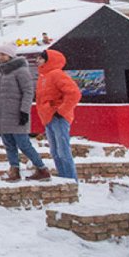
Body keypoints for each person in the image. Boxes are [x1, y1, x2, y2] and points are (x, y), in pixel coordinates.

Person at [0, 44, 51, 181]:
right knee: (9, 145)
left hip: (16, 114)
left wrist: (24, 111)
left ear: (10, 55)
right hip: (3, 115)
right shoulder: (0, 72)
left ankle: (42, 169)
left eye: (3, 54)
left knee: (24, 144)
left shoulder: (21, 71)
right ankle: (14, 170)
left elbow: (28, 92)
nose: (0, 57)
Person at [35, 49, 82, 179]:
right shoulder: (43, 76)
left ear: (48, 60)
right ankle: (63, 179)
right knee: (55, 152)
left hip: (58, 118)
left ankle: (70, 180)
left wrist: (61, 110)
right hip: (49, 117)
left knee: (63, 151)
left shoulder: (56, 74)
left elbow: (74, 93)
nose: (37, 61)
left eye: (40, 58)